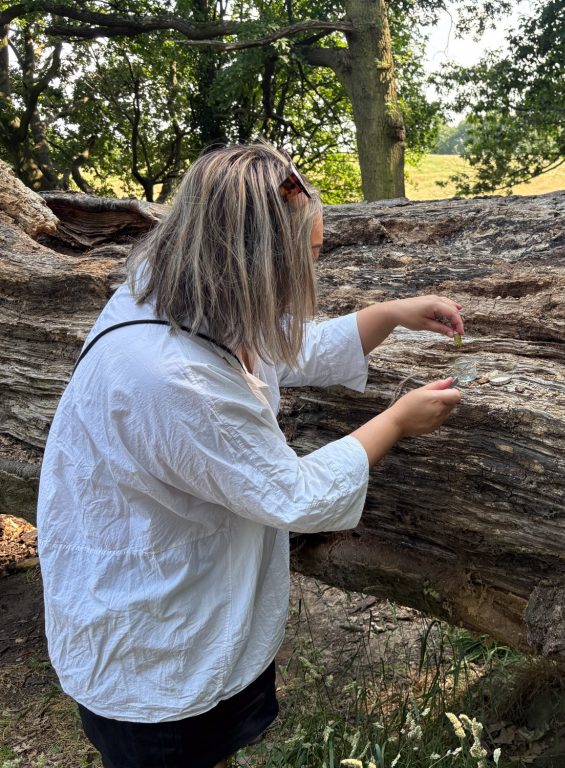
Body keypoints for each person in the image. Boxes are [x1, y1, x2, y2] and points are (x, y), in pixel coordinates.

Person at [36, 144, 464, 767]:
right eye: (307, 256)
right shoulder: (171, 376)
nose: (311, 272)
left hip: (181, 598)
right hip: (155, 643)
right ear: (255, 259)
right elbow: (294, 493)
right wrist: (396, 421)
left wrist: (389, 315)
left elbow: (282, 345)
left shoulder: (179, 293)